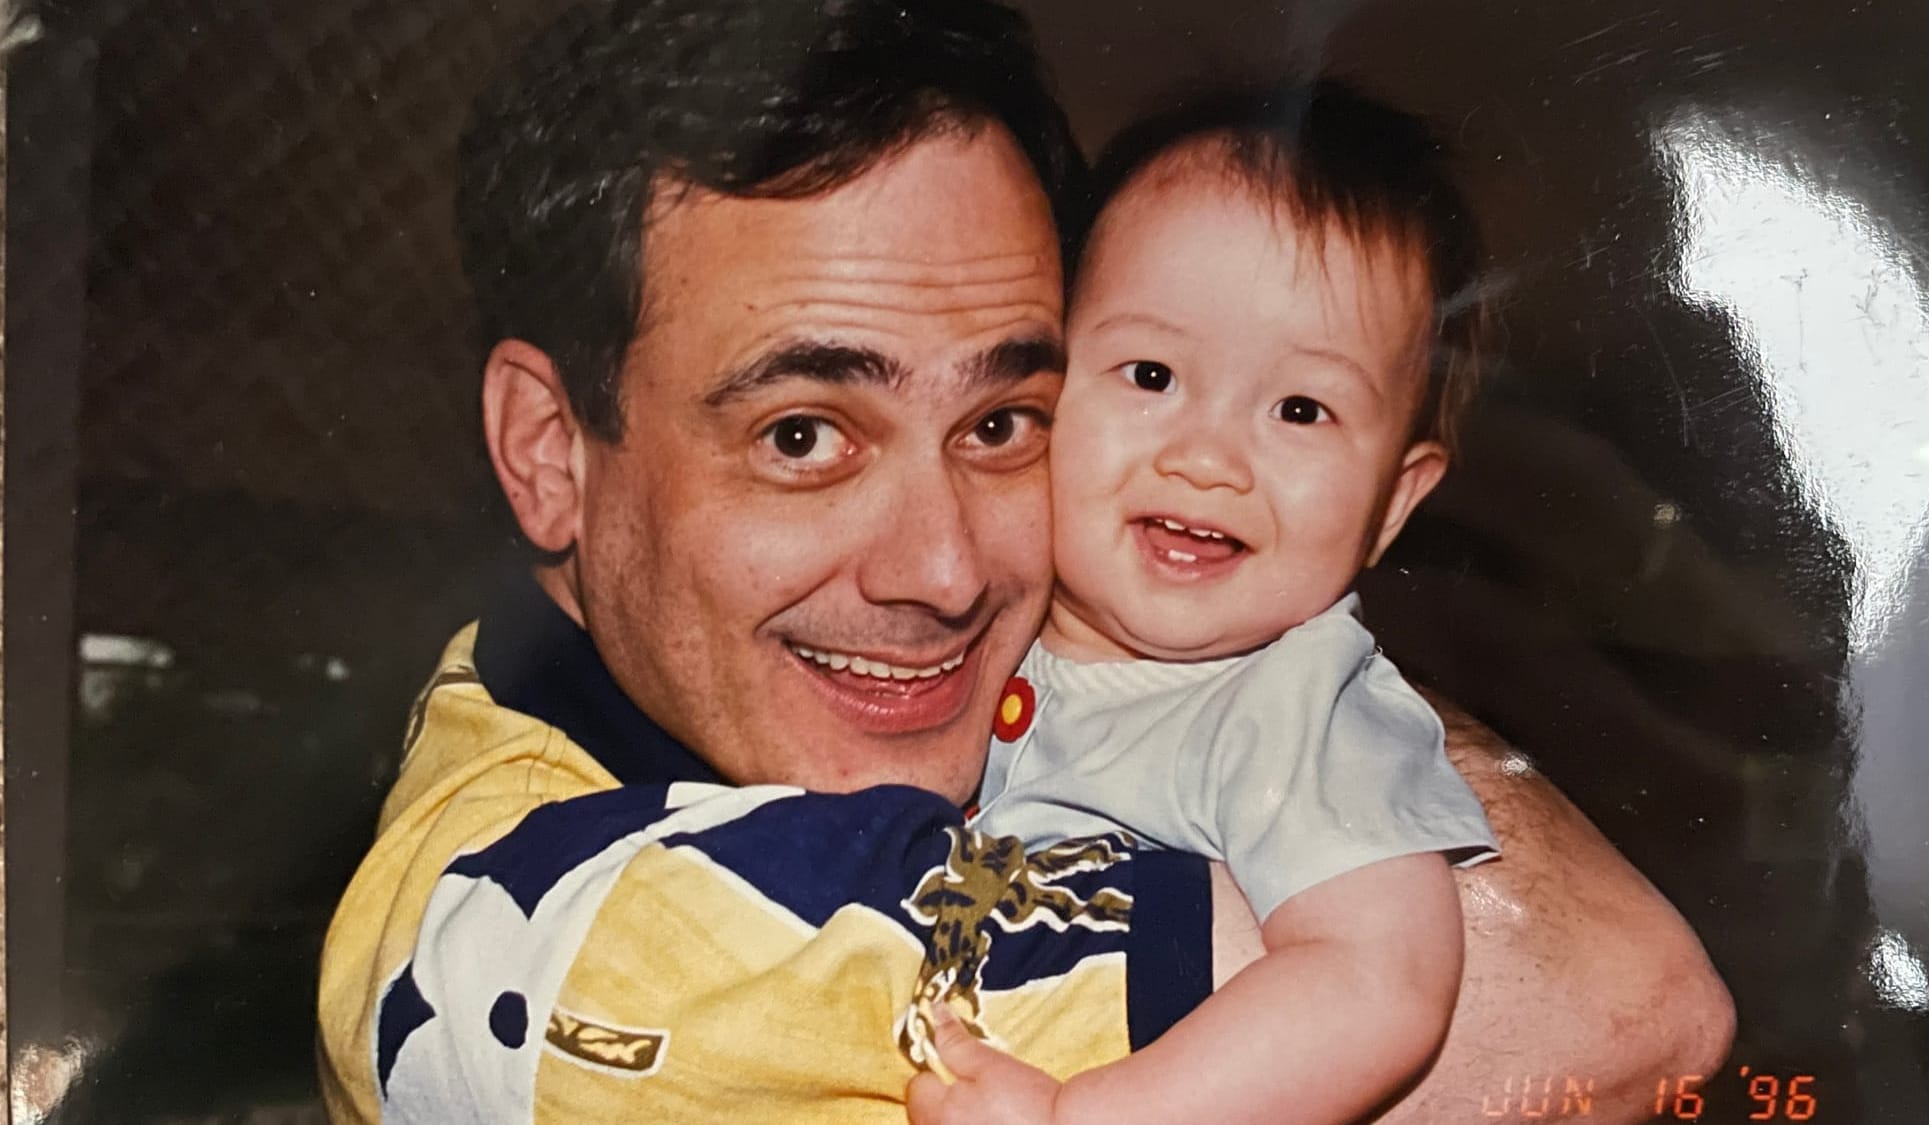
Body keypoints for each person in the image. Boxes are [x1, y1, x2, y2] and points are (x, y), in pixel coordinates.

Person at [315, 0, 1735, 1122]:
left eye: (1003, 420)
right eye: (804, 433)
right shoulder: (571, 944)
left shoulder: (549, 697)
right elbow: (1611, 995)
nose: (943, 569)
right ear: (551, 449)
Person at [903, 81, 1500, 1125]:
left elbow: (1374, 982)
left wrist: (1082, 1117)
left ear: (1393, 502)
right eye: (1150, 374)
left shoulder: (1299, 710)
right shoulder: (977, 609)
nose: (1208, 457)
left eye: (1300, 408)